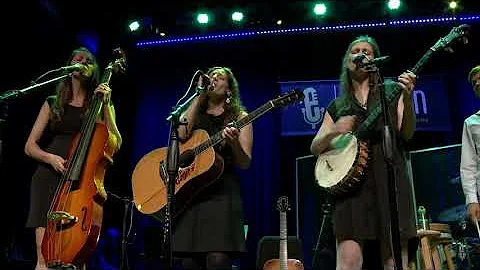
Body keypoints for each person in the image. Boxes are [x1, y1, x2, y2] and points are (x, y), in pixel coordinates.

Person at [310, 35, 417, 270]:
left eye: (367, 51)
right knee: (348, 262)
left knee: (393, 261)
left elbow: (406, 133)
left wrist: (407, 98)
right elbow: (315, 147)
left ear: (375, 59)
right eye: (355, 50)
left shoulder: (391, 90)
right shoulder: (338, 105)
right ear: (348, 61)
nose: (361, 54)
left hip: (390, 179)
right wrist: (333, 132)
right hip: (352, 190)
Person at [24, 47, 122, 270]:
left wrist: (106, 105)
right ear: (69, 66)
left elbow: (115, 141)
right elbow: (29, 146)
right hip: (48, 177)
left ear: (95, 69)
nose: (82, 61)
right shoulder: (52, 101)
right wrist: (50, 158)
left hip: (80, 182)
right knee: (44, 257)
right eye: (77, 58)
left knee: (76, 258)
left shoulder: (100, 102)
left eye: (88, 60)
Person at [174, 67, 253, 270]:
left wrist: (234, 143)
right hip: (192, 194)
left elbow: (245, 162)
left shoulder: (239, 116)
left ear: (229, 90)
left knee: (217, 260)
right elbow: (181, 133)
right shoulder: (196, 113)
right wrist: (198, 96)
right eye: (212, 75)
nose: (214, 78)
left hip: (222, 195)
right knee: (190, 262)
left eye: (220, 77)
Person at [460, 65, 480, 228]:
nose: (478, 84)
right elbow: (468, 166)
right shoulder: (470, 123)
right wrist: (471, 200)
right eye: (474, 83)